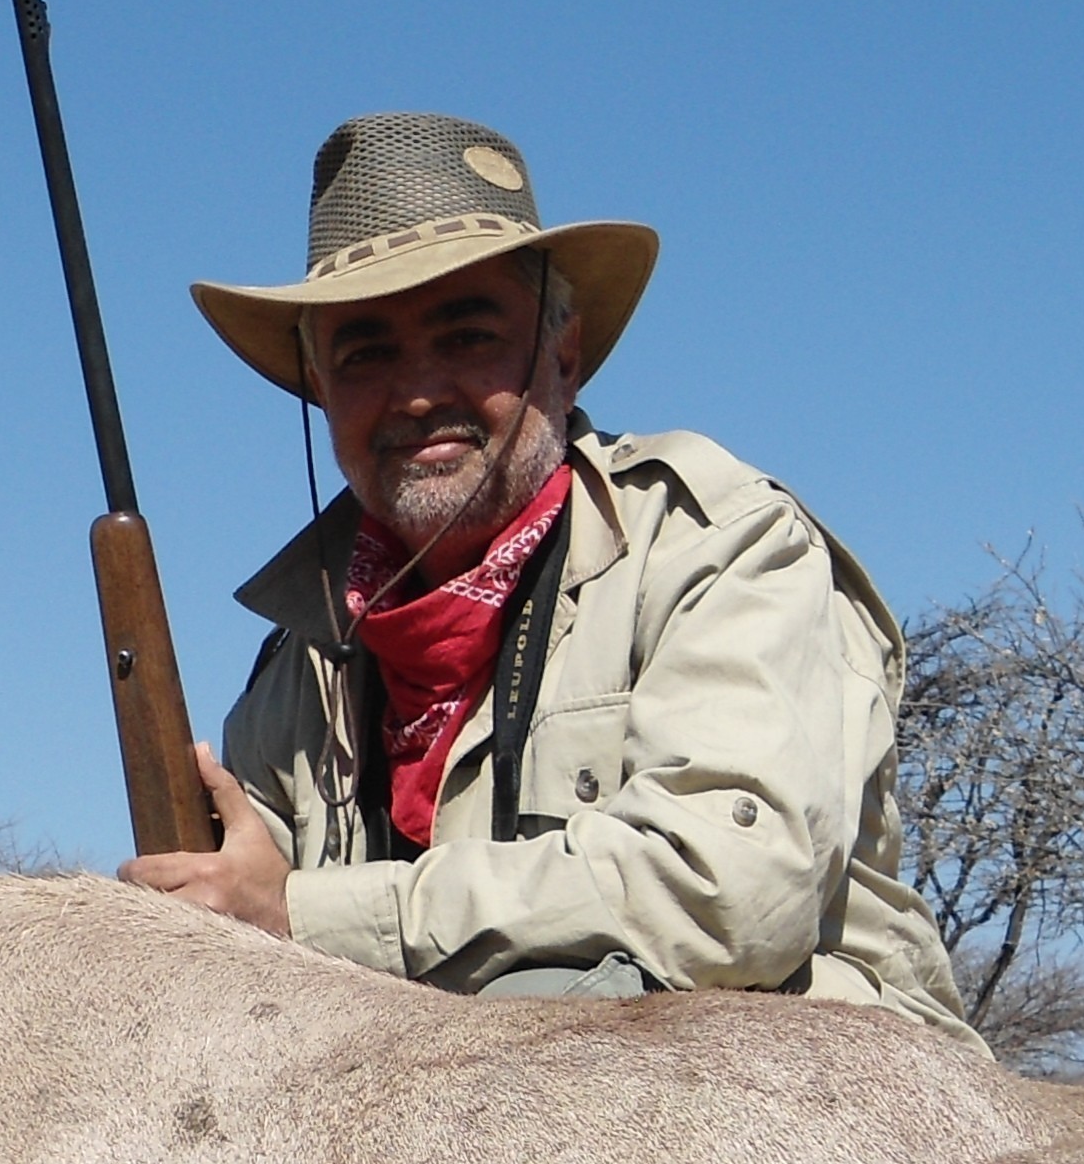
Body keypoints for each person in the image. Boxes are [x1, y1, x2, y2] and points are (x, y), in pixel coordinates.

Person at [119, 111, 978, 1036]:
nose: (416, 392)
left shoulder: (717, 540)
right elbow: (239, 924)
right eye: (365, 353)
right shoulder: (299, 665)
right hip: (456, 1111)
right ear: (321, 389)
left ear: (561, 357)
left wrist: (306, 914)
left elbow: (732, 892)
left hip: (806, 1106)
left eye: (468, 335)